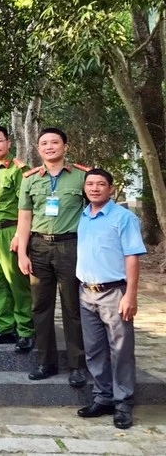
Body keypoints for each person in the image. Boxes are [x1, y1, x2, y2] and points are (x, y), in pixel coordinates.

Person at [17, 127, 88, 386]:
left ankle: (77, 365)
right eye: (44, 143)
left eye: (54, 142)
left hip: (70, 246)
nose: (49, 147)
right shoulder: (31, 179)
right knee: (40, 306)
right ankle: (45, 362)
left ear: (65, 146)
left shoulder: (81, 177)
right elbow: (24, 218)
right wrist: (22, 253)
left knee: (72, 307)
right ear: (38, 149)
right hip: (38, 247)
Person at [75, 168, 145, 429]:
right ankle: (102, 397)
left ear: (111, 188)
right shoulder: (83, 216)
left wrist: (131, 295)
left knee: (121, 351)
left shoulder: (124, 218)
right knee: (94, 351)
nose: (95, 188)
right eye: (90, 184)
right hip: (86, 293)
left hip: (115, 293)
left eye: (101, 184)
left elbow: (132, 257)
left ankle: (123, 403)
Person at [0, 126, 34, 352]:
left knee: (16, 284)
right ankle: (5, 327)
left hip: (9, 232)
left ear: (8, 143)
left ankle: (25, 330)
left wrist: (20, 236)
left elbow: (27, 206)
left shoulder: (19, 170)